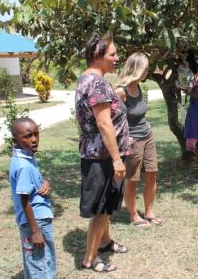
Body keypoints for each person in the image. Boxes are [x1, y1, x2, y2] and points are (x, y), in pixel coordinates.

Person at [75, 32, 131, 273]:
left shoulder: (88, 79)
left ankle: (105, 241)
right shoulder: (97, 82)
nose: (117, 58)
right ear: (98, 56)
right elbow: (104, 124)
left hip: (100, 154)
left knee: (107, 203)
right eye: (112, 54)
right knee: (100, 209)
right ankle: (90, 257)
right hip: (103, 157)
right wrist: (117, 159)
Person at [115, 52, 163, 228]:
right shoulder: (121, 91)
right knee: (132, 179)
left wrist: (147, 125)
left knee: (152, 174)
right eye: (145, 68)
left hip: (147, 136)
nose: (147, 72)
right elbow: (111, 120)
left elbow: (139, 113)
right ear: (137, 69)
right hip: (133, 142)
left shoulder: (138, 87)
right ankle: (134, 215)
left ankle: (149, 212)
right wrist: (126, 137)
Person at [8, 117, 56, 278]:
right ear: (15, 139)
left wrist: (45, 182)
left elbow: (32, 184)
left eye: (36, 134)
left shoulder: (26, 157)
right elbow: (24, 199)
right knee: (40, 265)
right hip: (36, 222)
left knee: (42, 262)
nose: (34, 139)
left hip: (38, 220)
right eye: (28, 136)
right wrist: (35, 231)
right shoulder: (23, 165)